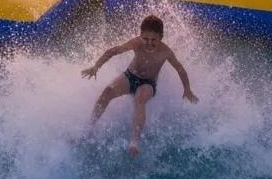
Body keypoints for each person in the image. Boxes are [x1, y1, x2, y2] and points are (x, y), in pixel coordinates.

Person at [81, 14, 198, 156]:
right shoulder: (136, 43)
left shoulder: (165, 52)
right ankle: (89, 128)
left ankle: (134, 141)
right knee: (107, 91)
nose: (149, 43)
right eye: (145, 39)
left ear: (161, 37)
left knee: (140, 98)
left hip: (148, 84)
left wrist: (187, 88)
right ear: (140, 35)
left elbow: (180, 69)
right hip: (130, 76)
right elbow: (113, 51)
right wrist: (95, 67)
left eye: (153, 40)